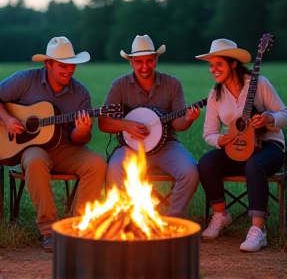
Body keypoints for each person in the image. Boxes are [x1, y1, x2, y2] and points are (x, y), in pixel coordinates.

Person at [0, 36, 107, 251]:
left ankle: (80, 227)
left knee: (97, 163)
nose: (69, 71)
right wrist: (8, 119)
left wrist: (83, 130)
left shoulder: (81, 93)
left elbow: (81, 140)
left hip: (67, 148)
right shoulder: (25, 80)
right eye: (63, 66)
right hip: (32, 148)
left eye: (72, 66)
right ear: (48, 64)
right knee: (35, 160)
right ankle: (49, 231)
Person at [195, 38, 287, 252]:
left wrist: (268, 119)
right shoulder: (215, 95)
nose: (213, 69)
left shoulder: (259, 83)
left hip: (269, 147)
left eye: (219, 64)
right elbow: (209, 133)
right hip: (237, 147)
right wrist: (221, 140)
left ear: (233, 63)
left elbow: (284, 113)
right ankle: (221, 215)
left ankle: (258, 231)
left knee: (254, 165)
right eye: (211, 64)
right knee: (206, 163)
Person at [98, 34, 200, 219]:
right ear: (131, 62)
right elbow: (103, 123)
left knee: (190, 170)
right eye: (138, 62)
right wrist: (126, 125)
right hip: (131, 147)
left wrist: (189, 119)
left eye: (149, 61)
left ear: (156, 60)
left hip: (166, 145)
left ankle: (171, 219)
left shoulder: (172, 84)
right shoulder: (120, 85)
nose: (144, 66)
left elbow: (178, 123)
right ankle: (124, 219)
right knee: (114, 168)